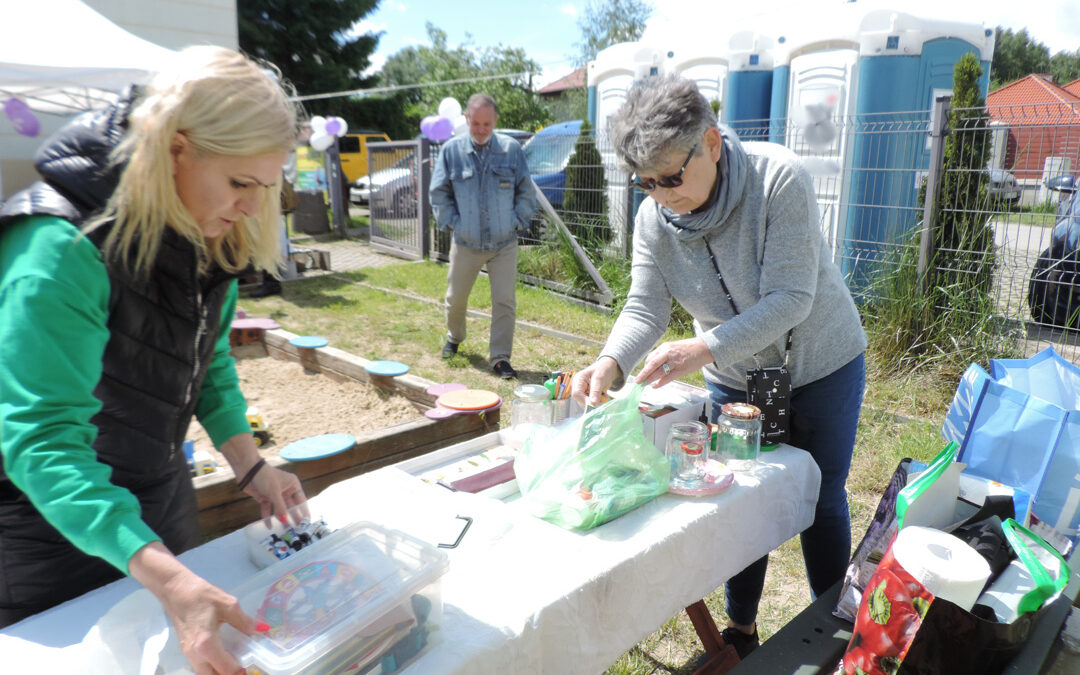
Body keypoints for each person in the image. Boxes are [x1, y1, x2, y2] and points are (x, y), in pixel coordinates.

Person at [0, 46, 308, 673]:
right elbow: (42, 443)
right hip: (46, 535)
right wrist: (167, 579)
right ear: (175, 147)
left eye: (265, 187)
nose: (252, 208)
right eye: (240, 183)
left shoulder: (200, 228)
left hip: (160, 502)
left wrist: (251, 467)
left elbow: (207, 361)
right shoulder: (59, 250)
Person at [570, 74, 867, 658]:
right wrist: (611, 360)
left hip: (823, 364)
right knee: (740, 498)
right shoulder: (654, 219)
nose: (661, 195)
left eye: (670, 178)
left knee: (823, 496)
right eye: (645, 182)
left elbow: (790, 299)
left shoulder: (777, 176)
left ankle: (834, 631)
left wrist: (700, 349)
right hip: (736, 379)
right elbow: (644, 306)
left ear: (710, 142)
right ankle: (740, 629)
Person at [429, 93, 538, 379]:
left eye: (486, 123)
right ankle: (454, 337)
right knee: (455, 298)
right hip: (466, 242)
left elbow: (526, 191)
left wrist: (516, 221)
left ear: (495, 121)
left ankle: (500, 357)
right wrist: (454, 223)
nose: (480, 129)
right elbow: (438, 192)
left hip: (504, 243)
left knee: (504, 301)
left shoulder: (511, 150)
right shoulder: (451, 151)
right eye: (475, 122)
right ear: (467, 119)